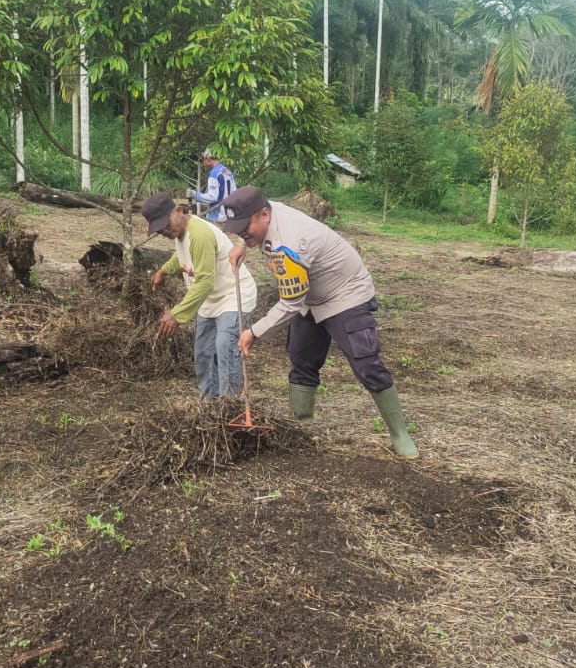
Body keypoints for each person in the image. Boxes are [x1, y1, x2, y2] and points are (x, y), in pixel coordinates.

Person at [221, 186, 418, 459]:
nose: (241, 232)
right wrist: (242, 244)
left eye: (245, 227)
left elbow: (291, 302)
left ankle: (400, 433)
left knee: (366, 364)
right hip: (310, 295)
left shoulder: (291, 241)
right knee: (301, 357)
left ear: (264, 214)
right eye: (237, 228)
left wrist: (253, 332)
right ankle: (303, 429)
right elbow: (297, 297)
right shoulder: (265, 211)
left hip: (345, 293)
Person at [143, 192, 258, 399]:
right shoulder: (180, 233)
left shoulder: (199, 233)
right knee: (203, 353)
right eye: (160, 230)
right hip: (210, 300)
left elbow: (204, 281)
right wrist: (163, 271)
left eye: (165, 225)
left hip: (232, 294)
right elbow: (182, 255)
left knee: (225, 347)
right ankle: (209, 407)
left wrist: (176, 314)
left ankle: (229, 406)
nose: (164, 231)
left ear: (178, 211)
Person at [190, 149, 236, 223]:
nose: (203, 163)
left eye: (203, 160)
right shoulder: (228, 171)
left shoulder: (214, 173)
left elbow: (212, 197)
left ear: (208, 160)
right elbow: (234, 193)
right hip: (229, 215)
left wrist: (195, 195)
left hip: (217, 216)